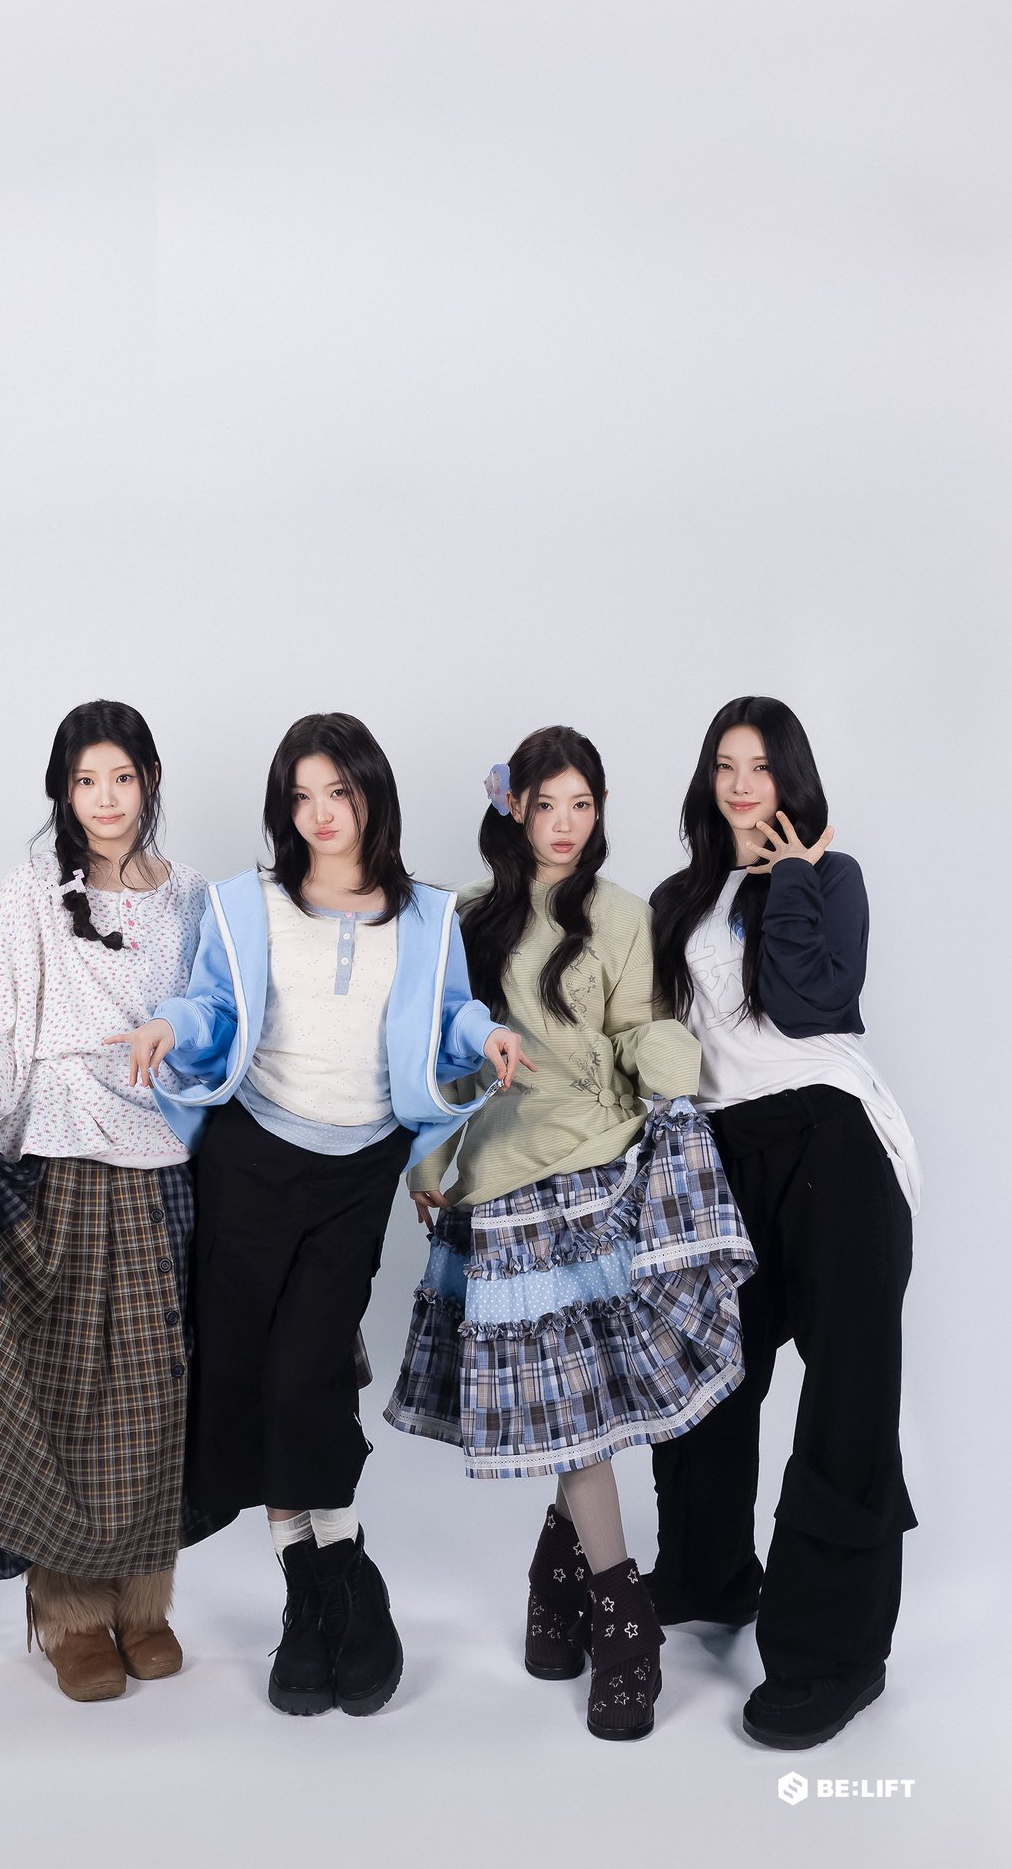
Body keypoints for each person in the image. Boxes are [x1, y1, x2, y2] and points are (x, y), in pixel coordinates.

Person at [115, 712, 528, 1718]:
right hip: (251, 1160)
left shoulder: (426, 916)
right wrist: (170, 1021)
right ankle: (310, 1598)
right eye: (300, 797)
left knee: (309, 1374)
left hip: (356, 1169)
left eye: (337, 792)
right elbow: (215, 1005)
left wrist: (485, 1032)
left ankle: (346, 1579)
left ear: (371, 794)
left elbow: (448, 1013)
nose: (319, 814)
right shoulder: (245, 904)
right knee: (251, 1378)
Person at [386, 725, 754, 1740]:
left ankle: (600, 1607)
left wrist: (671, 1077)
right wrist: (427, 1163)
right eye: (545, 804)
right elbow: (442, 1054)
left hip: (601, 1167)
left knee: (582, 1404)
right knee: (572, 1406)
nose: (563, 825)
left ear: (599, 809)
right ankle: (595, 1595)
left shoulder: (624, 913)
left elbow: (637, 1027)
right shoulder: (469, 917)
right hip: (504, 1177)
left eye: (580, 805)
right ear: (513, 808)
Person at [0, 700, 208, 1703]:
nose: (104, 799)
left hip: (162, 1163)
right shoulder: (33, 891)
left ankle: (145, 1601)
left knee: (156, 1393)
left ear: (150, 780)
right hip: (60, 1163)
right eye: (84, 781)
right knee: (66, 1395)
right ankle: (67, 1612)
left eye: (121, 777)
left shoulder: (193, 896)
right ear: (63, 792)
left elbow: (218, 1026)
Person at [646, 695, 920, 1750]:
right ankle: (708, 1575)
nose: (741, 784)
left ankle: (832, 1654)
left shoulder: (831, 879)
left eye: (761, 765)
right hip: (720, 1151)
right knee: (710, 1374)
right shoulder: (677, 898)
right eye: (725, 764)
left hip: (833, 1141)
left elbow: (813, 1004)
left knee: (847, 1395)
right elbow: (661, 1044)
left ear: (791, 779)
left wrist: (793, 876)